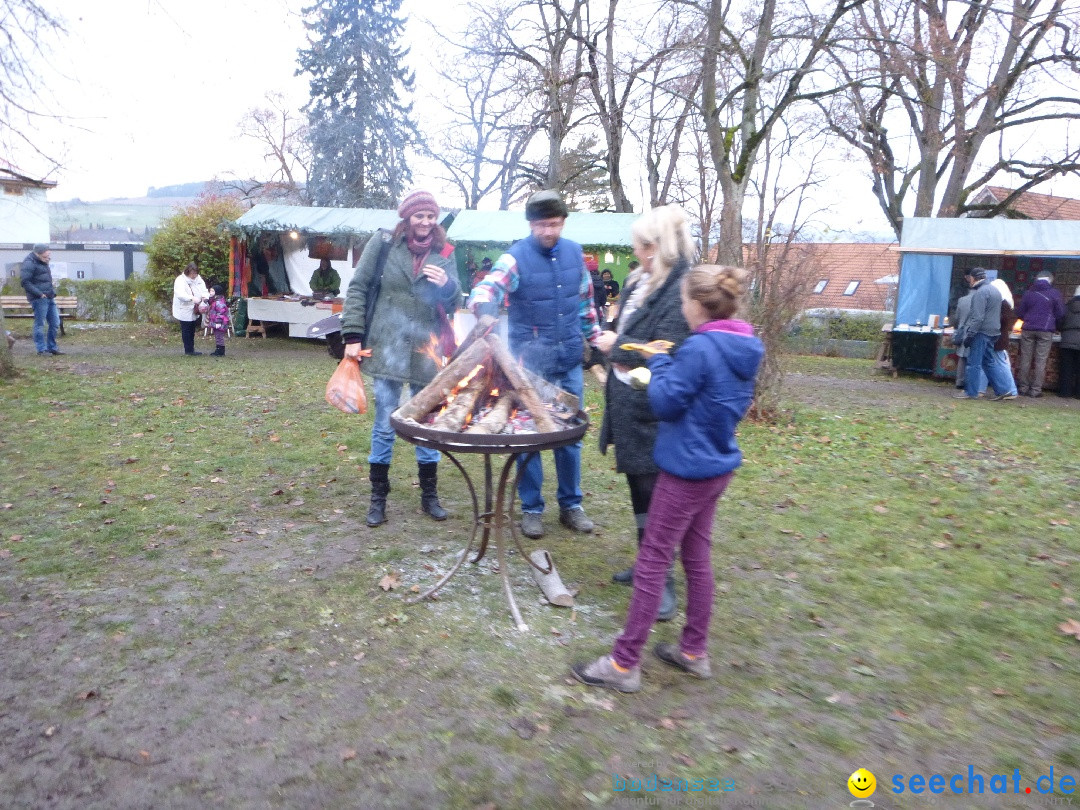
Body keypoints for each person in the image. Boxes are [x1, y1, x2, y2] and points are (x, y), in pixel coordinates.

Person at [571, 264, 764, 693]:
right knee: (696, 558)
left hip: (684, 469)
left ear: (698, 305)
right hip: (718, 463)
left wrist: (658, 365)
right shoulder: (746, 344)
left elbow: (666, 403)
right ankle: (693, 651)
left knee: (654, 560)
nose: (681, 309)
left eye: (682, 302)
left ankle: (624, 664)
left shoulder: (699, 348)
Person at [468, 189, 602, 539]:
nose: (548, 231)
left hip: (569, 361)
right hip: (530, 366)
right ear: (530, 224)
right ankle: (531, 509)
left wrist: (596, 340)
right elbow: (487, 289)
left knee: (569, 436)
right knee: (530, 437)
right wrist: (484, 312)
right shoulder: (515, 258)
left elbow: (586, 305)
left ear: (563, 222)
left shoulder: (576, 255)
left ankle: (571, 505)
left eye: (554, 224)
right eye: (541, 224)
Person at [596, 204, 695, 622]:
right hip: (628, 401)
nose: (635, 252)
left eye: (641, 246)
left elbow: (667, 346)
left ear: (657, 246)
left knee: (658, 496)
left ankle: (665, 580)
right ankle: (645, 563)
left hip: (653, 409)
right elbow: (631, 330)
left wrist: (614, 346)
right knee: (638, 489)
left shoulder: (680, 288)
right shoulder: (642, 280)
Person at [341, 189, 461, 527]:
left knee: (426, 422)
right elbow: (359, 287)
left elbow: (455, 301)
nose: (425, 222)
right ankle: (378, 497)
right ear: (406, 217)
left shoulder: (445, 251)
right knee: (384, 423)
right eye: (419, 216)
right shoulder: (382, 245)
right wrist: (352, 335)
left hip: (427, 348)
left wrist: (449, 285)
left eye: (431, 216)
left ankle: (429, 495)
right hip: (387, 343)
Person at [954, 268, 1015, 401]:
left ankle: (971, 392)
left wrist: (970, 334)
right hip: (994, 332)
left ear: (974, 278)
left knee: (973, 363)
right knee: (989, 362)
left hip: (981, 332)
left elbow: (978, 317)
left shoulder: (980, 293)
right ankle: (1004, 390)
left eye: (970, 278)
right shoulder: (995, 291)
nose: (969, 281)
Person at [1015, 271, 1065, 398]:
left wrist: (1028, 318)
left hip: (1028, 329)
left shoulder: (1028, 293)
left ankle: (1023, 388)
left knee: (1025, 359)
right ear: (1050, 279)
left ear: (1036, 279)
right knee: (1040, 361)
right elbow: (1060, 313)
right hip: (1046, 330)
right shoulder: (1055, 293)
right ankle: (1036, 390)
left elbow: (1020, 312)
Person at [20, 244, 63, 356]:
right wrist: (40, 294)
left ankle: (52, 347)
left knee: (55, 322)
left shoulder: (43, 261)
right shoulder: (29, 263)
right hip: (39, 298)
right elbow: (25, 282)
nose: (49, 256)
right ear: (39, 253)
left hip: (49, 296)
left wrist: (51, 292)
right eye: (46, 254)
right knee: (40, 324)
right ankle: (41, 349)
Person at [172, 261, 209, 356]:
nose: (194, 275)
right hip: (183, 308)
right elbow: (180, 294)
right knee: (186, 329)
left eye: (195, 273)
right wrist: (191, 298)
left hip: (194, 309)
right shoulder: (180, 280)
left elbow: (204, 290)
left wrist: (205, 297)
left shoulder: (199, 279)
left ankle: (191, 349)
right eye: (192, 273)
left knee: (192, 328)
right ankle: (188, 350)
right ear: (187, 272)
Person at [1058, 286, 1080, 398]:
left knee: (1066, 368)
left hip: (1067, 340)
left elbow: (1060, 322)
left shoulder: (1066, 307)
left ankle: (1064, 392)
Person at [206, 284, 231, 357]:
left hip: (220, 323)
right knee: (217, 336)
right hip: (216, 322)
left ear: (217, 292)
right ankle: (218, 349)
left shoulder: (219, 303)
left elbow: (221, 313)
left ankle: (220, 351)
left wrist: (218, 322)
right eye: (210, 290)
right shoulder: (215, 301)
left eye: (212, 291)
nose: (210, 292)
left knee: (219, 337)